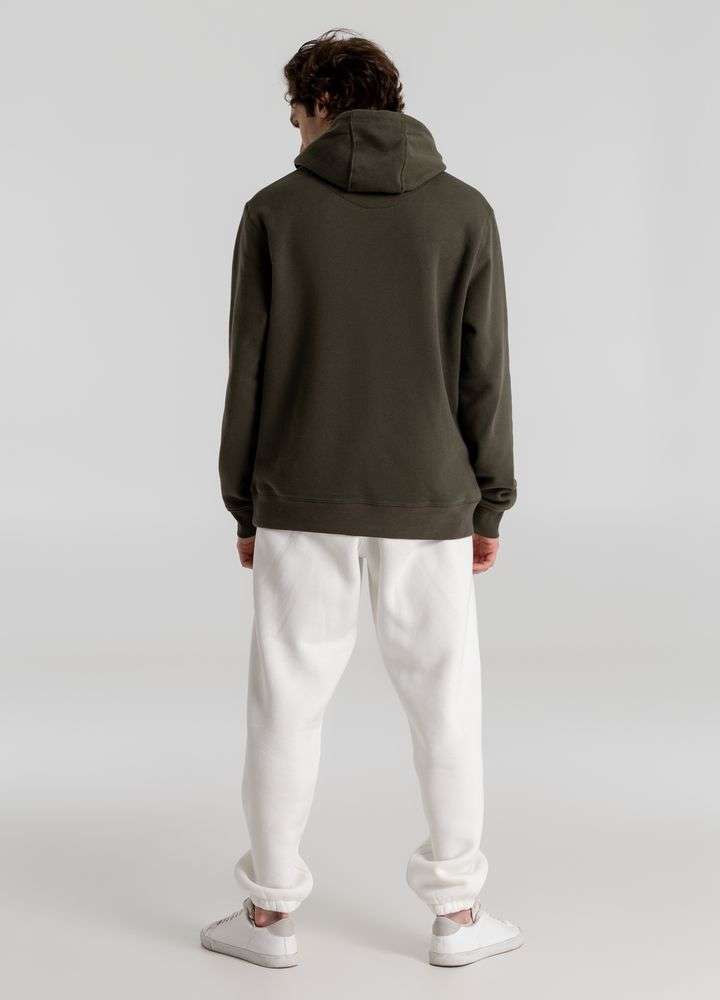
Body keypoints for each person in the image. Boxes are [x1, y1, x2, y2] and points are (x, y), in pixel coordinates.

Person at [201, 29, 520, 969]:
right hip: (430, 498)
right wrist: (488, 503)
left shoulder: (274, 211)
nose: (294, 133)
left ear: (322, 106)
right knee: (447, 704)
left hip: (300, 496)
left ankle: (268, 920)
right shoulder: (464, 212)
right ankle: (459, 916)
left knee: (285, 704)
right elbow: (485, 375)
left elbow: (247, 372)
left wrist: (245, 505)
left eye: (295, 114)